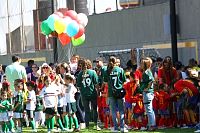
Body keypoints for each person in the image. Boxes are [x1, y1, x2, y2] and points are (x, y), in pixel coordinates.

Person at [104, 56, 128, 132]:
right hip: (119, 92)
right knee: (121, 110)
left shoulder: (107, 71)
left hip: (111, 93)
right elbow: (124, 81)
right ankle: (122, 127)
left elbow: (105, 83)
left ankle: (115, 128)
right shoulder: (120, 70)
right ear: (115, 62)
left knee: (113, 111)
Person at [77, 59, 101, 131]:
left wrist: (82, 93)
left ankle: (87, 126)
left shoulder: (80, 74)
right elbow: (96, 84)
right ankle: (95, 125)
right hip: (92, 93)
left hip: (84, 94)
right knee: (94, 109)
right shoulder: (93, 72)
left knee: (86, 110)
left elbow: (79, 86)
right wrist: (98, 92)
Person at [139, 57, 156, 131]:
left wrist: (147, 88)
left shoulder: (146, 72)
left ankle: (152, 125)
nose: (141, 64)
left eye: (142, 63)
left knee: (149, 110)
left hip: (147, 93)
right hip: (148, 93)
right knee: (149, 110)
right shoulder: (147, 71)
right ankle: (150, 125)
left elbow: (151, 80)